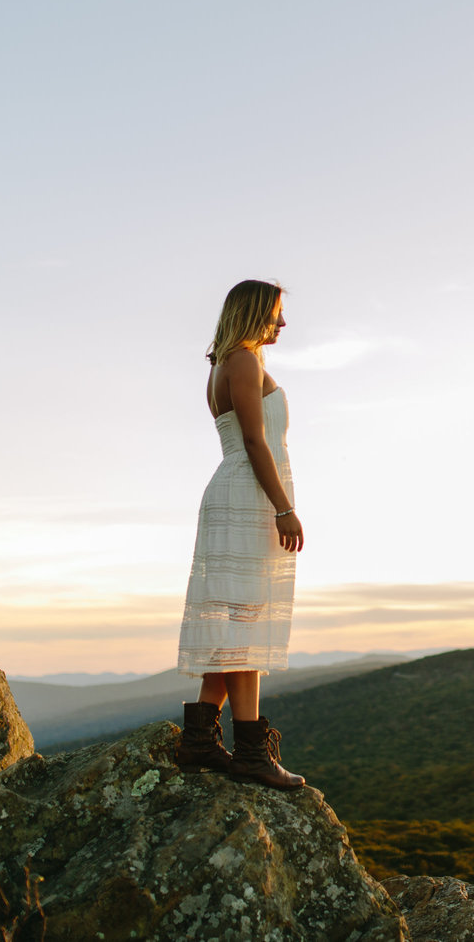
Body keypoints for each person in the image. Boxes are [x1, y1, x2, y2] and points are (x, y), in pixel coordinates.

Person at [175, 279, 305, 789]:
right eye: (276, 312)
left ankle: (200, 742)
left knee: (236, 625)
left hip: (234, 489)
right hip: (247, 492)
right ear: (254, 313)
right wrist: (285, 508)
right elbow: (255, 440)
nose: (283, 322)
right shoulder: (245, 361)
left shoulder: (222, 364)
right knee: (245, 624)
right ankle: (251, 751)